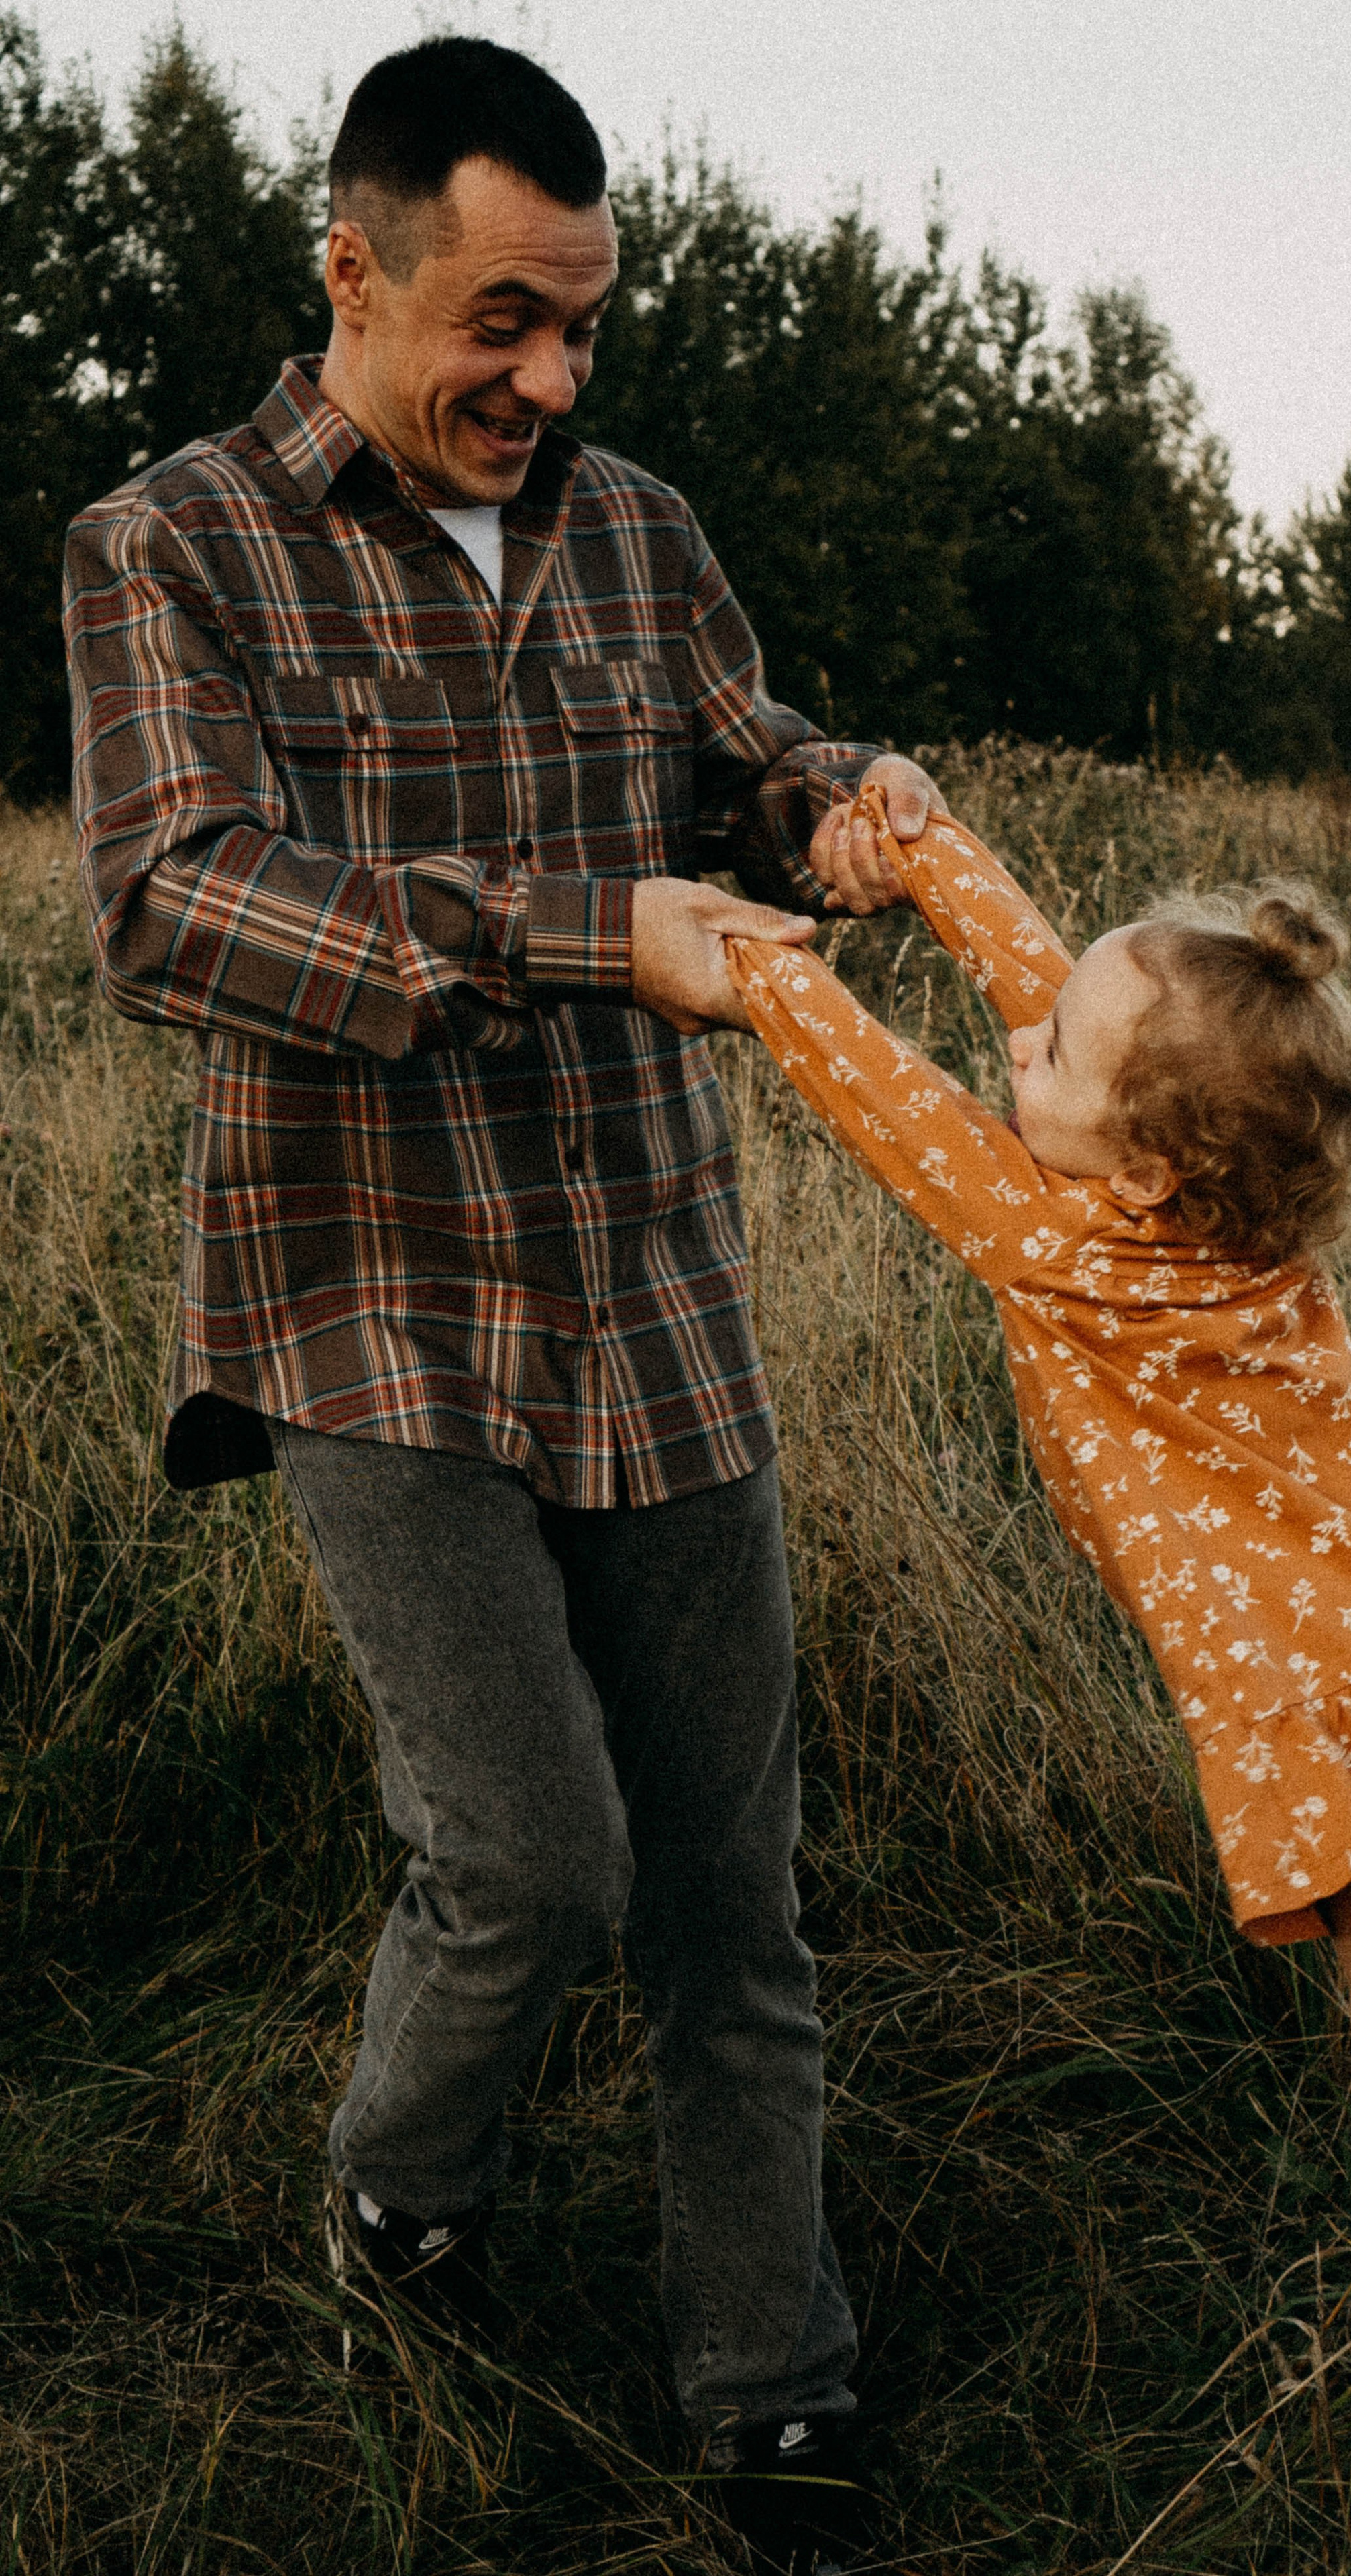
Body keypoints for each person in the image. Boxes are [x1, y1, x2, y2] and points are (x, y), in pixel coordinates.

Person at [63, 34, 942, 2569]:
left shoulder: (638, 528)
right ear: (351, 272)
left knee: (732, 1898)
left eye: (585, 327)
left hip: (654, 1286)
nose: (551, 381)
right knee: (534, 1863)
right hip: (366, 1303)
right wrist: (581, 937)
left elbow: (746, 749)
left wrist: (835, 807)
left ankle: (776, 2397)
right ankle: (402, 2192)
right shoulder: (171, 545)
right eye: (504, 323)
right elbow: (172, 899)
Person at [728, 790, 1351, 2574]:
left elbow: (887, 1106)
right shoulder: (1210, 1217)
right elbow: (1057, 988)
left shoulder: (1071, 1248)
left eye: (1053, 1055)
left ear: (1144, 1158)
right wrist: (926, 845)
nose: (1020, 1044)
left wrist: (751, 966)